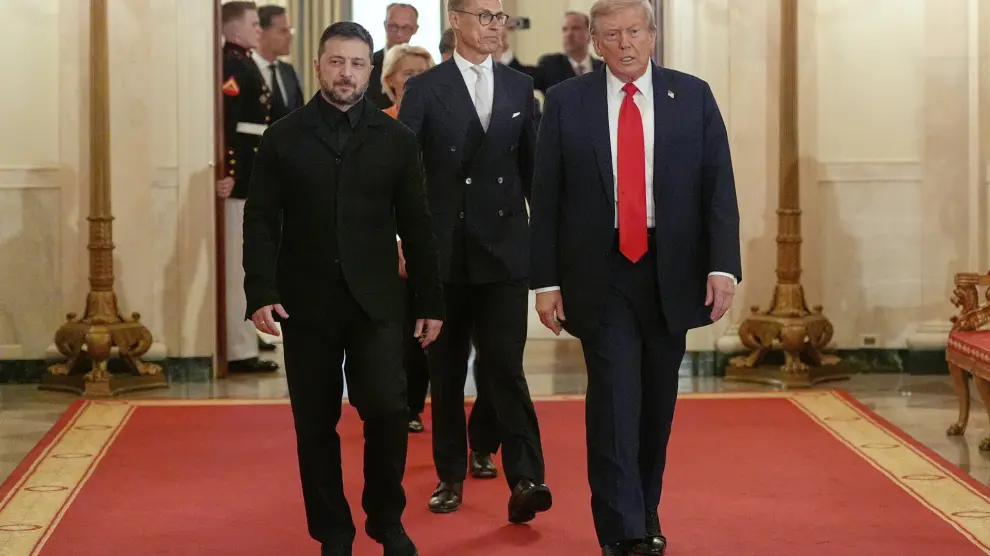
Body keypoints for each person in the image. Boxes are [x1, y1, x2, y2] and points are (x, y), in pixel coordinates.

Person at [528, 0, 741, 554]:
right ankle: (621, 531)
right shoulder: (566, 102)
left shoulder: (692, 96)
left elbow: (719, 187)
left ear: (653, 35)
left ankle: (645, 512)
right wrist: (544, 281)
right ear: (595, 42)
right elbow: (546, 195)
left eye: (634, 32)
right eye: (612, 35)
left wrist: (722, 267)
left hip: (672, 273)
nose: (625, 44)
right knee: (616, 402)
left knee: (655, 408)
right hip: (599, 275)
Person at [243, 21, 444, 556]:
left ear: (370, 70)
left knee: (385, 409)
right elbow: (260, 220)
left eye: (357, 64)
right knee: (315, 423)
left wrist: (429, 299)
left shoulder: (396, 140)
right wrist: (259, 290)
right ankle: (333, 533)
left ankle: (386, 518)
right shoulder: (283, 137)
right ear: (319, 65)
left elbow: (418, 224)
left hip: (377, 300)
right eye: (336, 62)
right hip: (303, 302)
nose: (346, 73)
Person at [398, 0, 552, 522]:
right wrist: (405, 242)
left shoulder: (517, 86)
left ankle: (527, 476)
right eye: (484, 16)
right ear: (456, 20)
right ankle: (449, 474)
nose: (495, 26)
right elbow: (405, 171)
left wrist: (547, 254)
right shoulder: (425, 88)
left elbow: (532, 174)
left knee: (505, 365)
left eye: (500, 17)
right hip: (445, 252)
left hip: (506, 248)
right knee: (446, 370)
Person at [381, 43, 502, 478]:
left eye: (423, 73)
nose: (415, 82)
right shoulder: (385, 126)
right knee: (441, 361)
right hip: (431, 255)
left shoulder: (459, 115)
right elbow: (394, 194)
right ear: (390, 81)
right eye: (407, 74)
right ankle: (446, 465)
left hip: (487, 253)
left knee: (497, 361)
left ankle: (485, 442)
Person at [217, 1, 279, 372]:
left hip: (252, 174)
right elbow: (228, 125)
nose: (260, 29)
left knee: (249, 260)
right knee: (238, 266)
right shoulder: (233, 65)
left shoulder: (244, 62)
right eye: (254, 24)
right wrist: (233, 174)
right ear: (234, 27)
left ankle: (247, 339)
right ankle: (239, 350)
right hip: (241, 178)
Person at [369, 3, 419, 109]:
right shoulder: (367, 64)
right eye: (393, 26)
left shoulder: (424, 68)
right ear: (385, 25)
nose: (399, 34)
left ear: (415, 29)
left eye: (405, 28)